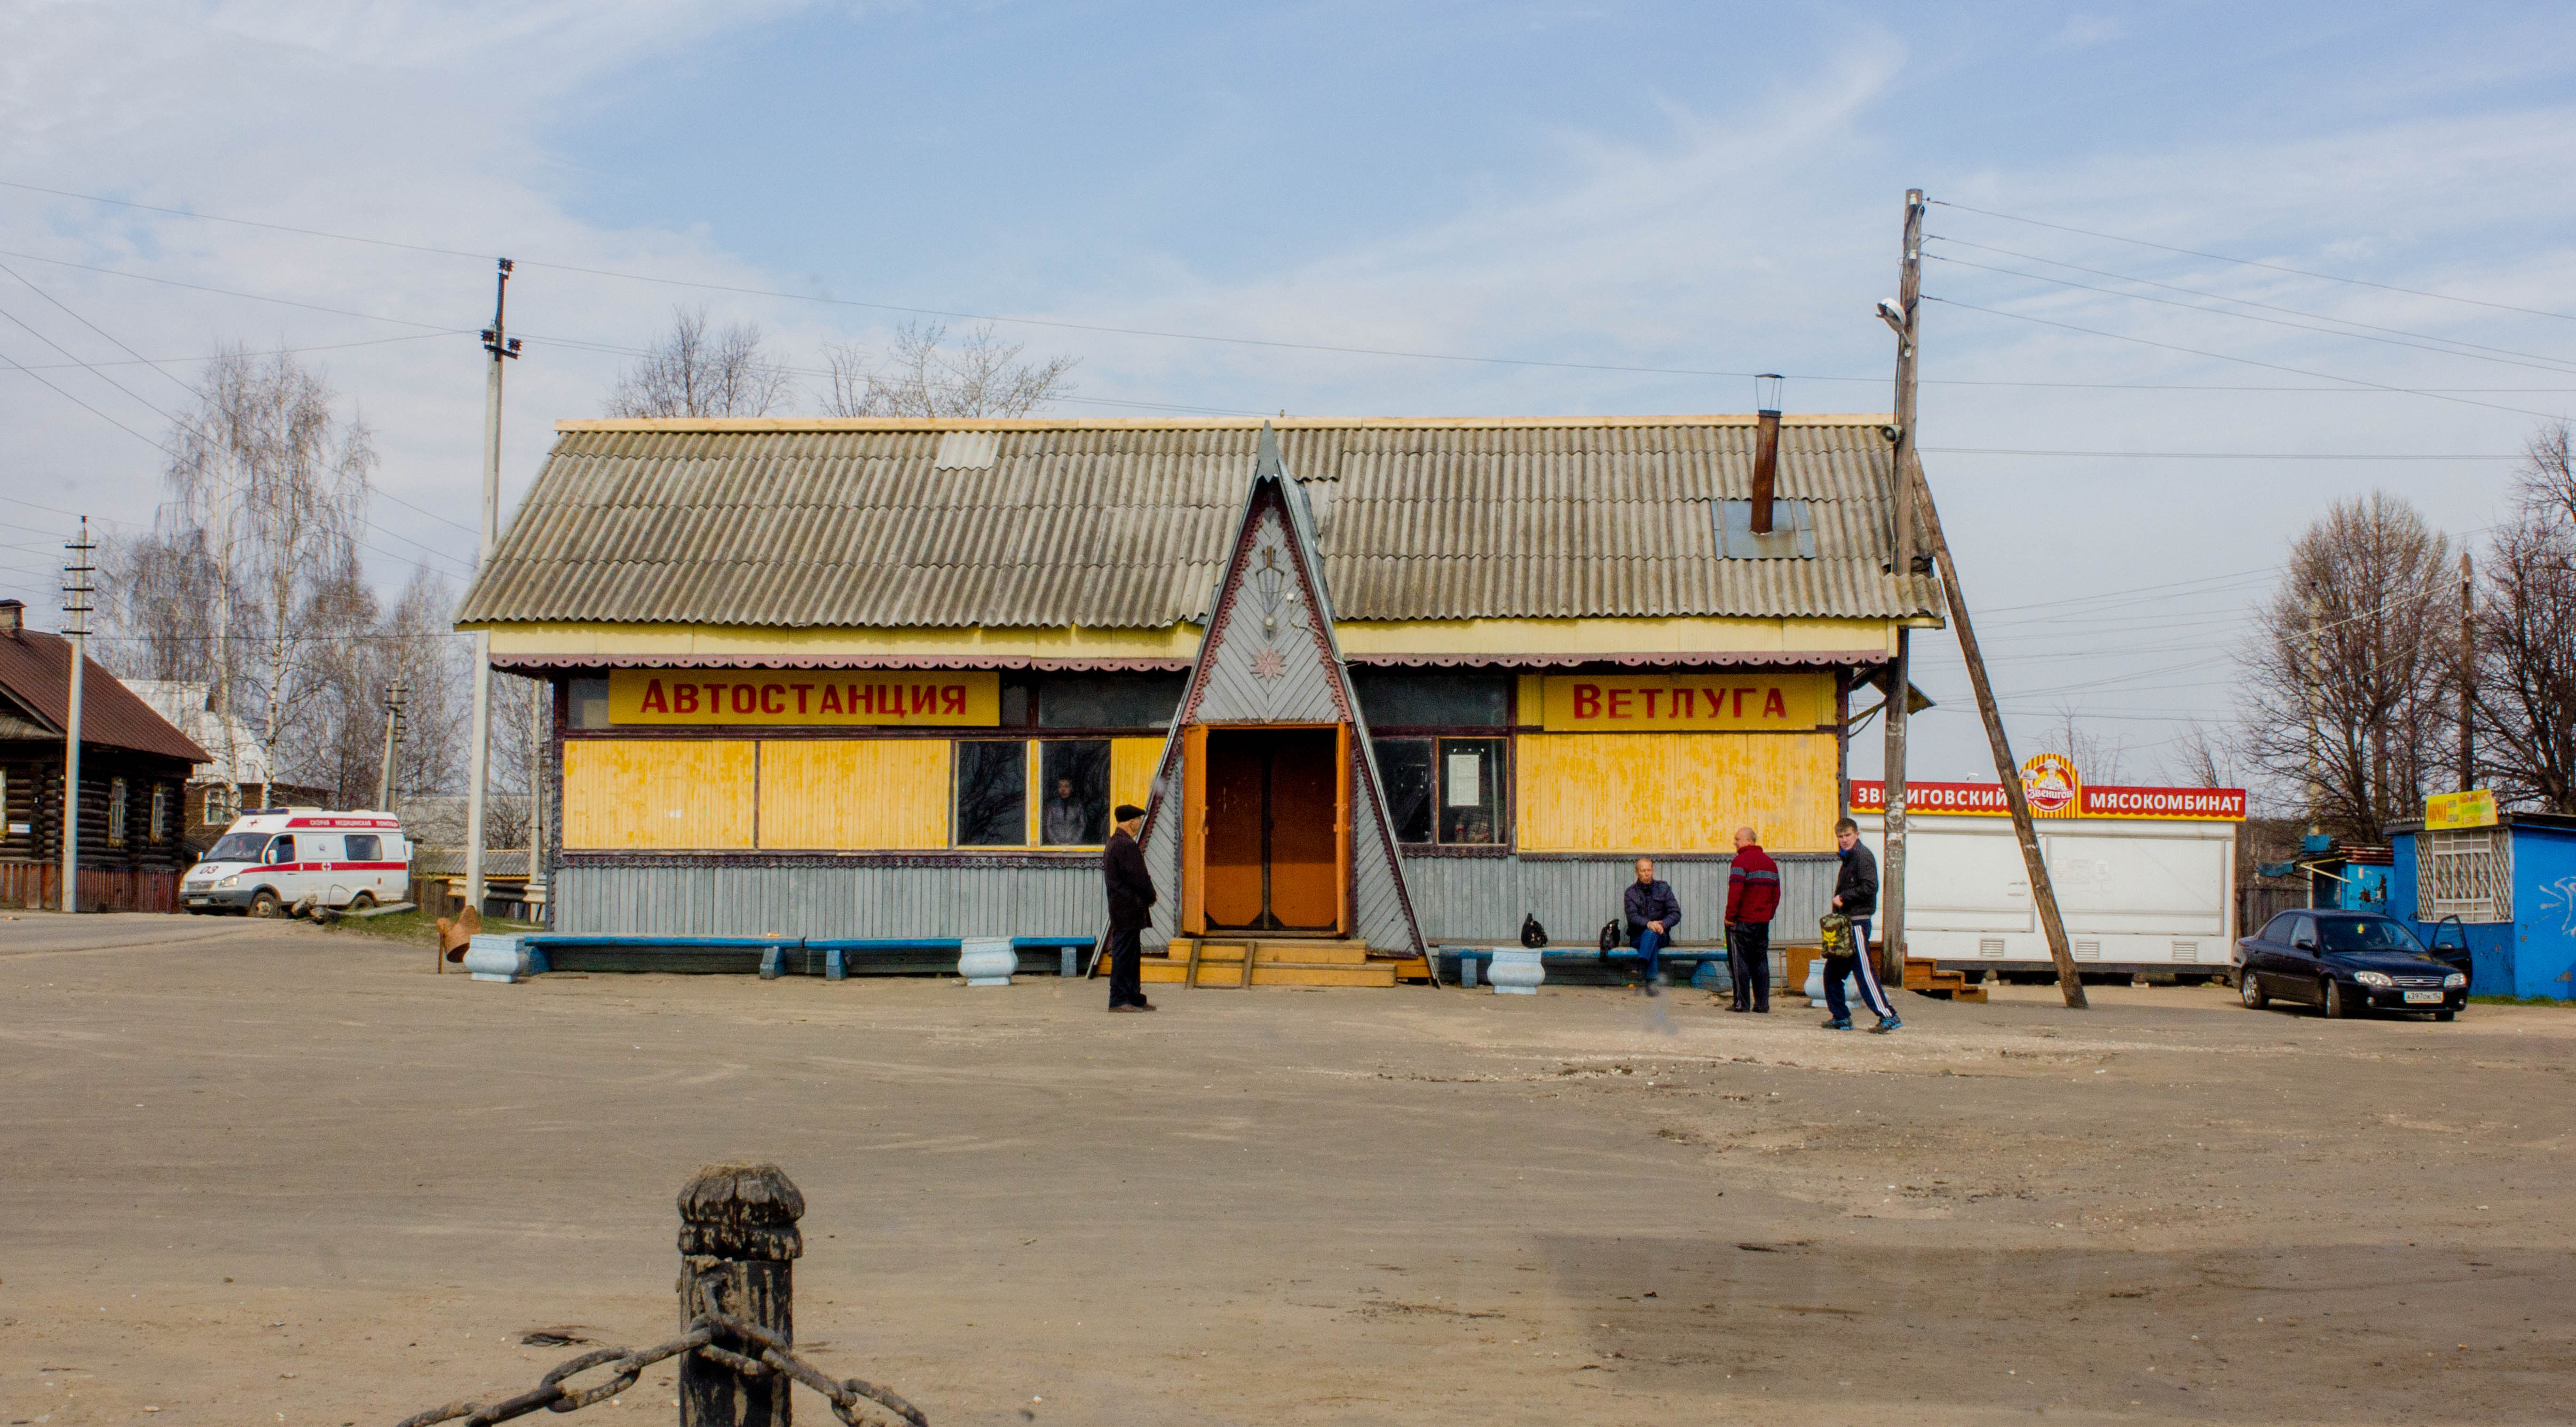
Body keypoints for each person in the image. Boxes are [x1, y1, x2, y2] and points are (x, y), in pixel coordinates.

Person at [1823, 816, 1900, 1033]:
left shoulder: (1863, 856)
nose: (1844, 840)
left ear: (1857, 835)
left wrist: (1844, 897)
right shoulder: (1849, 858)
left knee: (1864, 972)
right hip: (1844, 925)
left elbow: (1870, 887)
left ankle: (1888, 1015)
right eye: (1840, 836)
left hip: (1857, 923)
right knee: (1832, 973)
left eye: (1848, 835)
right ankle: (1841, 1017)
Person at [1102, 803, 1157, 1012]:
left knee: (1131, 954)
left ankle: (1133, 996)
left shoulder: (1115, 843)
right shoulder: (1126, 845)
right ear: (1132, 822)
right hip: (1128, 908)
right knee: (1125, 955)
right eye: (1138, 820)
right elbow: (1139, 877)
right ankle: (1119, 999)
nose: (1140, 824)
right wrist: (1151, 896)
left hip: (1123, 908)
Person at [1723, 826, 1778, 1013]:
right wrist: (1768, 915)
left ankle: (1741, 1003)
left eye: (1737, 839)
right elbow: (1776, 894)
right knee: (1761, 961)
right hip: (1762, 922)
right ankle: (1763, 1004)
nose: (1735, 842)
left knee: (1740, 962)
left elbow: (1735, 893)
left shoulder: (1740, 862)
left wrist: (1730, 917)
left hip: (1742, 922)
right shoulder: (1771, 863)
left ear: (1748, 841)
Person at [1623, 857, 1682, 992]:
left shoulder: (1663, 888)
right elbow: (1632, 917)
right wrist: (1648, 923)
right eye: (1643, 871)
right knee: (1651, 935)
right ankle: (1651, 982)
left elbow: (1675, 913)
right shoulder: (1630, 893)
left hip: (1662, 934)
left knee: (1653, 935)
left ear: (1653, 871)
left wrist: (1663, 925)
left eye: (1649, 870)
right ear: (1637, 873)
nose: (1647, 874)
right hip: (1638, 937)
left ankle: (1641, 965)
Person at [1044, 776, 1090, 845]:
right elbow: (1048, 826)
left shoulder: (1078, 805)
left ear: (1072, 788)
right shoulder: (1053, 806)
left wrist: (1073, 843)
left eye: (1066, 786)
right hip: (1056, 848)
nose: (1063, 790)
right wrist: (1057, 843)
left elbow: (1082, 826)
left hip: (1075, 847)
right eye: (1060, 787)